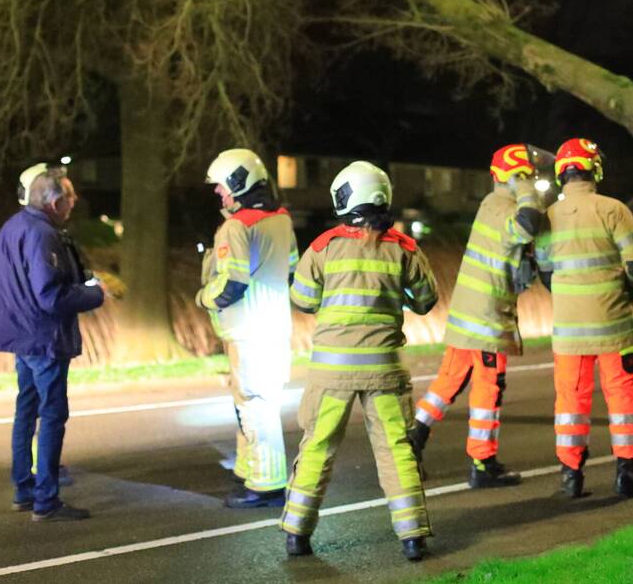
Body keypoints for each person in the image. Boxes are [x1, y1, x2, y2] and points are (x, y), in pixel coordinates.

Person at [280, 161, 438, 562]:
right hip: (384, 370)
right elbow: (426, 300)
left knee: (317, 446)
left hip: (332, 373)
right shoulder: (404, 247)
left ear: (345, 197)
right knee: (396, 449)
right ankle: (413, 537)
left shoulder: (323, 246)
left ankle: (297, 533)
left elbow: (302, 300)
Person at [0, 162, 104, 521]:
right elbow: (50, 296)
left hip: (24, 337)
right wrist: (95, 294)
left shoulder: (16, 226)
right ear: (55, 202)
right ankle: (46, 500)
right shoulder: (43, 234)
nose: (75, 200)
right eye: (70, 196)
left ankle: (23, 490)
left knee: (26, 410)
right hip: (43, 339)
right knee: (53, 415)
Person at [408, 144, 552, 488]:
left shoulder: (492, 204)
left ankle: (413, 438)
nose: (532, 180)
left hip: (470, 316)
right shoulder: (504, 207)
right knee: (489, 388)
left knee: (449, 382)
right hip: (486, 319)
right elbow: (528, 224)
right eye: (527, 174)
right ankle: (482, 462)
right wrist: (525, 186)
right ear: (517, 175)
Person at [542, 138, 633, 499]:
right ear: (595, 169)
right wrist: (628, 289)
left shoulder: (548, 217)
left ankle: (570, 477)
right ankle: (630, 474)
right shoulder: (613, 209)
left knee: (570, 403)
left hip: (568, 333)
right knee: (623, 399)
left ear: (561, 173)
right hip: (614, 325)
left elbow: (544, 272)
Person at [196, 149, 298, 508]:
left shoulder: (236, 227)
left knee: (255, 406)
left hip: (248, 331)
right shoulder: (281, 219)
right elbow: (291, 269)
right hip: (274, 327)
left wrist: (204, 298)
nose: (218, 192)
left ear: (238, 183)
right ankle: (249, 469)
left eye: (221, 185)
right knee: (255, 403)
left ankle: (266, 483)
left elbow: (233, 284)